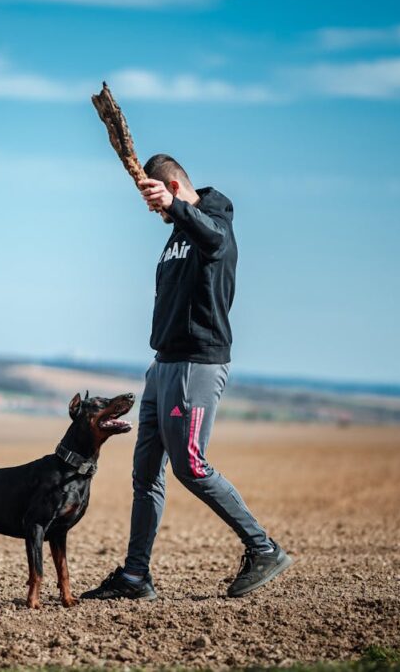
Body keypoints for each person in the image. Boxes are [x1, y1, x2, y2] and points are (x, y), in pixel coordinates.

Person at [81, 154, 292, 601]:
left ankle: (263, 548)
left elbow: (213, 238)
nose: (153, 210)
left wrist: (175, 207)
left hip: (197, 363)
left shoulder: (215, 221)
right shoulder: (178, 233)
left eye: (156, 200)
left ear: (173, 188)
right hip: (163, 365)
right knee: (145, 474)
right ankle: (136, 576)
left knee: (191, 466)